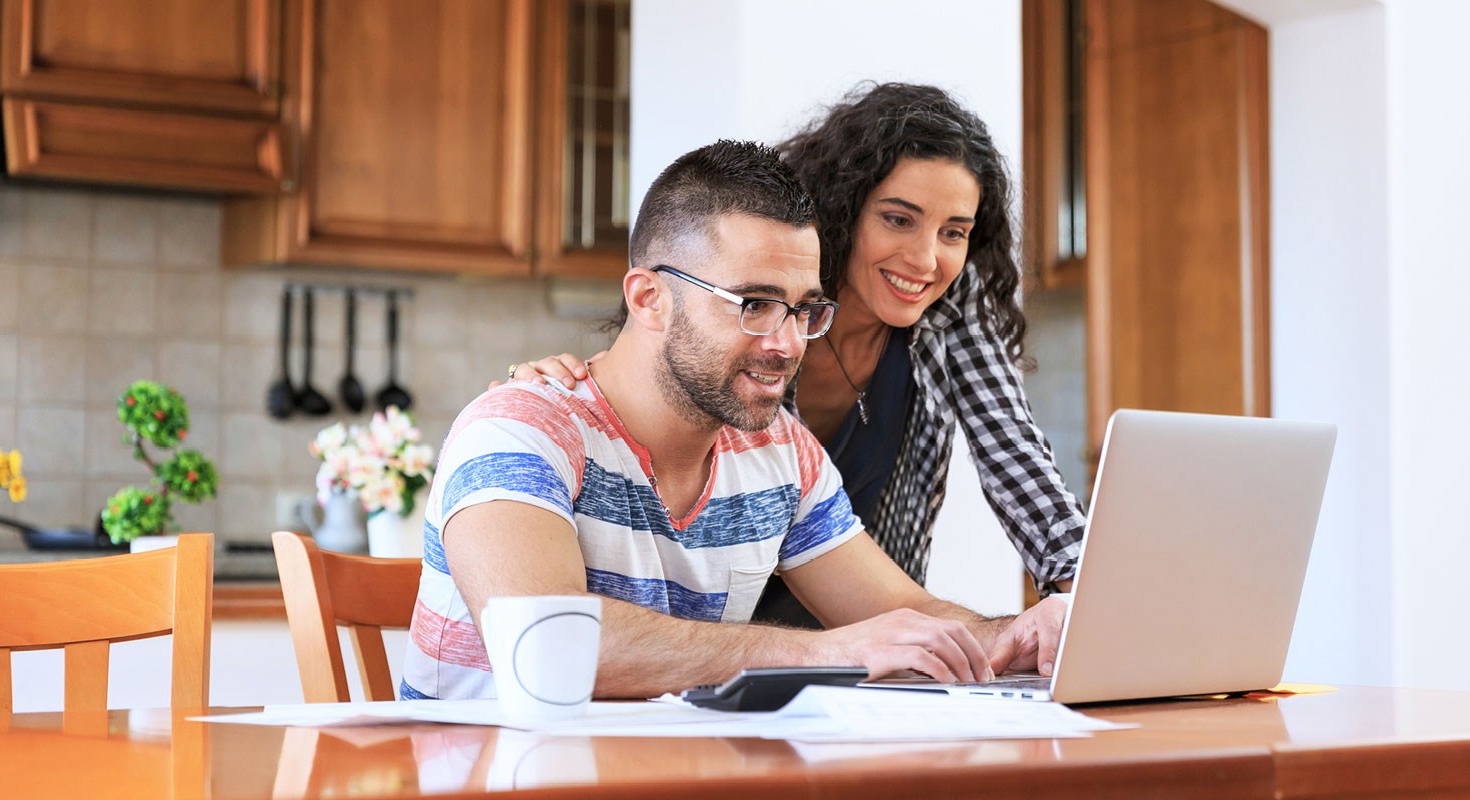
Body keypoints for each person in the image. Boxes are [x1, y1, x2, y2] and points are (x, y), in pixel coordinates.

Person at [405, 140, 1069, 701]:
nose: (785, 344)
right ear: (649, 297)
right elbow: (543, 641)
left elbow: (906, 613)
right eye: (753, 303)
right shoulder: (520, 429)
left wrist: (1016, 633)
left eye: (804, 309)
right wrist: (831, 653)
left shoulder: (777, 450)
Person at [504, 83, 1087, 628]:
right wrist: (553, 403)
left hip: (865, 634)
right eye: (898, 219)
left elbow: (1019, 464)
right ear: (846, 209)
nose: (926, 259)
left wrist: (1082, 606)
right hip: (725, 645)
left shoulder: (949, 315)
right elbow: (665, 364)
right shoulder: (763, 322)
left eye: (954, 232)